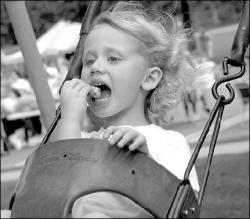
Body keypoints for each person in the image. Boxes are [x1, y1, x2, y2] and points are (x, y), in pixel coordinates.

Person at [2, 1, 200, 218]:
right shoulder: (83, 140)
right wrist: (70, 118)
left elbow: (183, 209)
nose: (95, 67)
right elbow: (56, 185)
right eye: (89, 60)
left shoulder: (168, 143)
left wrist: (146, 162)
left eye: (113, 58)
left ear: (149, 78)